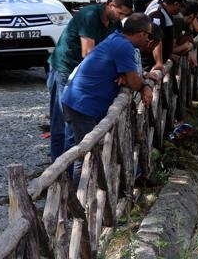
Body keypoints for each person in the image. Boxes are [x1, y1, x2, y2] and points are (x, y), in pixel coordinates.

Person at [61, 13, 154, 186]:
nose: (149, 39)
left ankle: (83, 197)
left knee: (88, 152)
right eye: (149, 35)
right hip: (82, 104)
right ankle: (76, 203)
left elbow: (131, 78)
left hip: (79, 100)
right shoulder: (124, 46)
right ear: (141, 33)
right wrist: (142, 84)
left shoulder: (116, 38)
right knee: (87, 155)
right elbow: (134, 81)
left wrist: (131, 78)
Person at [46, 0, 133, 161]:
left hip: (82, 73)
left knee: (73, 123)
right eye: (120, 13)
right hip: (65, 67)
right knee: (61, 121)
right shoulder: (90, 16)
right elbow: (88, 53)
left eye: (125, 15)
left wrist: (122, 72)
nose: (121, 17)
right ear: (110, 5)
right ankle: (57, 166)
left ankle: (70, 164)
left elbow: (119, 47)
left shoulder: (115, 24)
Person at [145, 0, 189, 69]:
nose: (180, 10)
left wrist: (169, 55)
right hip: (150, 65)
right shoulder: (157, 14)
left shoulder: (160, 6)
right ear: (176, 4)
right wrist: (159, 62)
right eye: (181, 6)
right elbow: (155, 39)